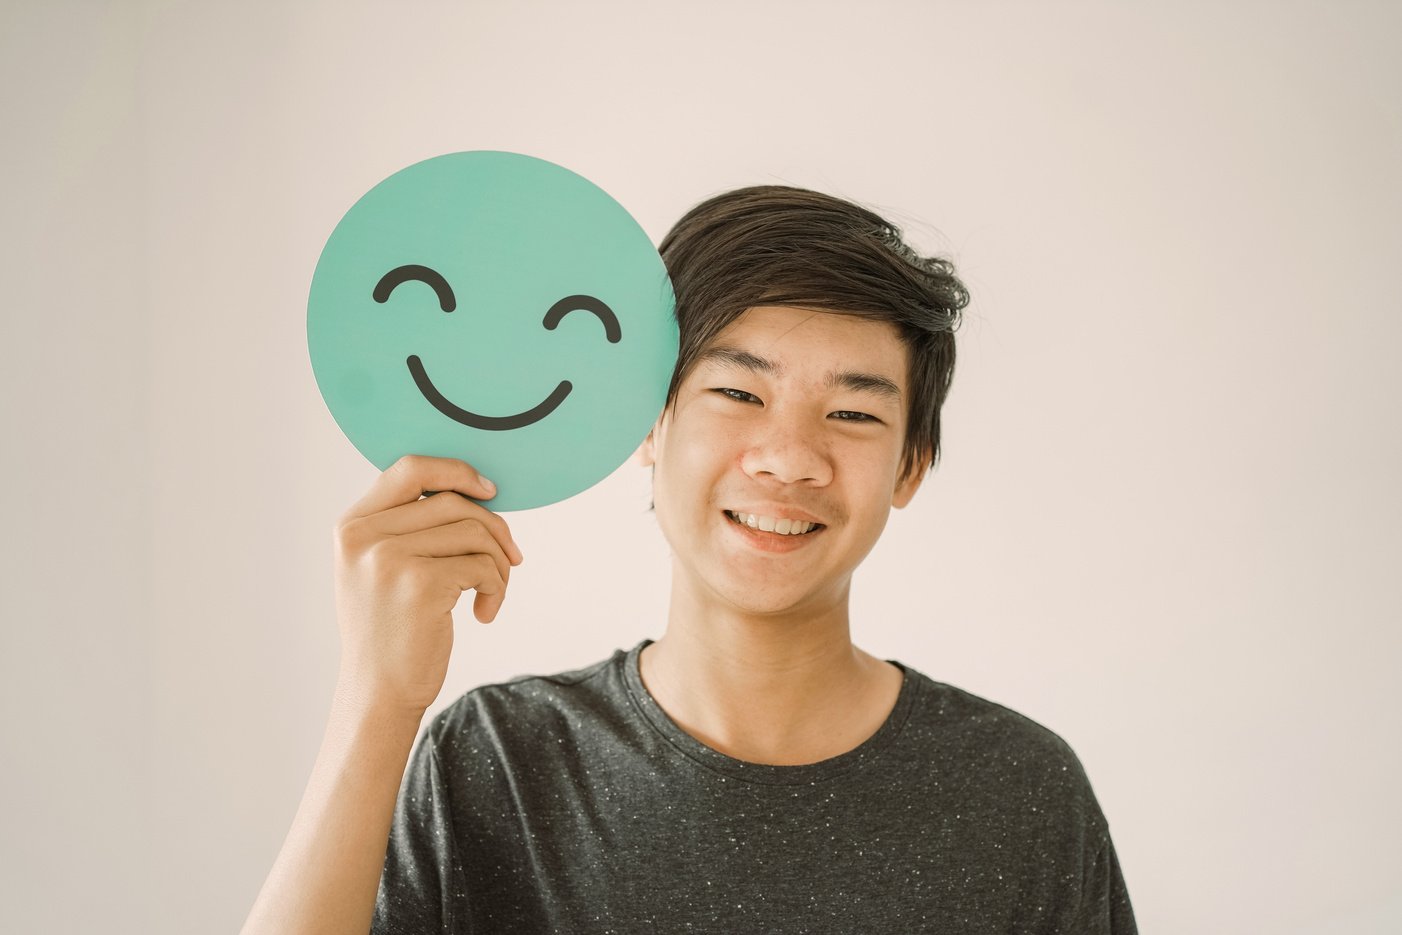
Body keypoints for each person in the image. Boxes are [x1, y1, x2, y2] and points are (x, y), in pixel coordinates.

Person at [242, 187, 1137, 934]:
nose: (788, 457)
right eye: (738, 391)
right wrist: (377, 696)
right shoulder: (498, 761)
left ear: (910, 466)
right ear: (647, 423)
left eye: (854, 413)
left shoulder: (1021, 791)